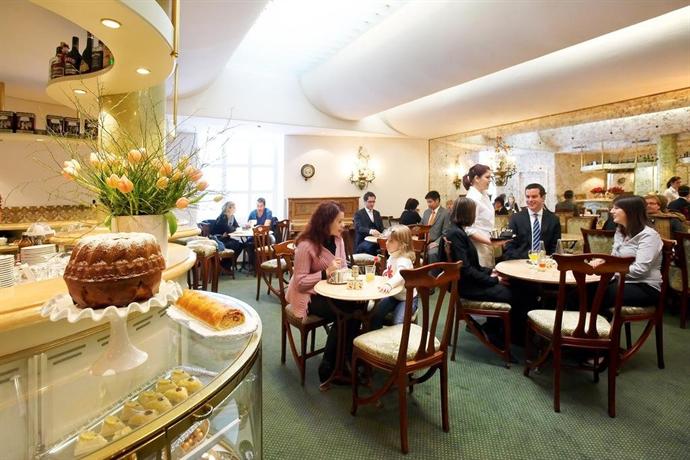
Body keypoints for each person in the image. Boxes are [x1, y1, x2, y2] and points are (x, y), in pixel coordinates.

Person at [286, 201, 355, 383]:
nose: (343, 225)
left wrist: (347, 276)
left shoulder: (338, 240)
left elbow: (343, 267)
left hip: (330, 292)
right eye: (339, 221)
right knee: (346, 312)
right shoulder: (306, 245)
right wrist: (325, 273)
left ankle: (346, 359)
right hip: (307, 296)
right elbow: (300, 283)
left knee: (358, 308)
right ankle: (328, 367)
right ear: (326, 222)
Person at [445, 197, 517, 344]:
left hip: (467, 282)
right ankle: (497, 334)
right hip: (466, 287)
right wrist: (494, 279)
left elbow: (472, 266)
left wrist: (490, 272)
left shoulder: (457, 231)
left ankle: (493, 329)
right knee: (510, 293)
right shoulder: (456, 234)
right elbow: (466, 270)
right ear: (467, 214)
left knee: (509, 287)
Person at [593, 195, 663, 312]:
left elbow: (640, 270)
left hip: (644, 287)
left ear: (630, 212)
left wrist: (609, 268)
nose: (612, 211)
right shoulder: (621, 231)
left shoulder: (649, 236)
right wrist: (604, 261)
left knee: (596, 295)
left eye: (616, 208)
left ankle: (600, 322)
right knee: (579, 291)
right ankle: (589, 322)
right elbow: (615, 258)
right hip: (621, 281)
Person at [370, 225, 418, 330]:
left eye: (391, 241)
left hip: (407, 298)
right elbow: (392, 270)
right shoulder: (393, 255)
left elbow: (400, 274)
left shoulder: (404, 260)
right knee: (375, 314)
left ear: (402, 245)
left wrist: (389, 284)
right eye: (387, 240)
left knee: (398, 322)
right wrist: (386, 273)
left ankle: (399, 340)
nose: (386, 243)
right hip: (394, 296)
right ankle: (376, 335)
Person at [503, 183, 562, 260]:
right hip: (520, 261)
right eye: (527, 197)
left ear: (543, 198)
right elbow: (509, 245)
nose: (530, 200)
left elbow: (555, 247)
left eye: (534, 196)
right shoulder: (515, 218)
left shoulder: (553, 220)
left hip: (544, 262)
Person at [462, 164, 498, 267]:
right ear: (477, 178)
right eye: (487, 177)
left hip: (486, 243)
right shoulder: (472, 199)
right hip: (477, 247)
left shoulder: (484, 194)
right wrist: (490, 242)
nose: (490, 180)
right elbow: (469, 230)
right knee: (482, 272)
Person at [421, 190, 451, 263]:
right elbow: (421, 226)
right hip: (424, 241)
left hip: (437, 242)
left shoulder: (445, 213)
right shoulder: (426, 212)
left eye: (430, 202)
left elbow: (446, 233)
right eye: (427, 202)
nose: (428, 204)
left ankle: (433, 271)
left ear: (437, 200)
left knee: (432, 253)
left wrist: (436, 243)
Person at [353, 191, 384, 255]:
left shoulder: (377, 213)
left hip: (376, 240)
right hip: (363, 241)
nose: (372, 204)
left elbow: (381, 228)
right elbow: (359, 228)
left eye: (373, 202)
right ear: (365, 202)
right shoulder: (358, 214)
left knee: (388, 245)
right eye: (370, 202)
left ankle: (383, 261)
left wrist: (388, 232)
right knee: (371, 247)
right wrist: (371, 231)